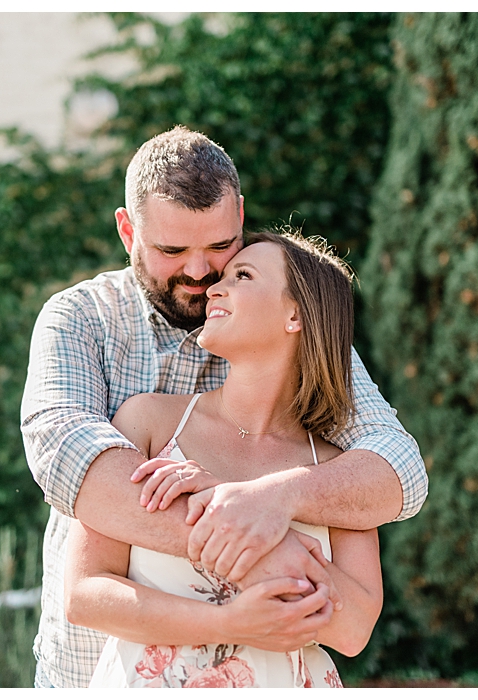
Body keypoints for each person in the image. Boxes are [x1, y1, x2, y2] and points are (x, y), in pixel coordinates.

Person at [20, 127, 427, 688]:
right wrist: (260, 542)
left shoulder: (302, 349)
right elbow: (70, 463)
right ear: (127, 230)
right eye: (171, 250)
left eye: (220, 249)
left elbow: (398, 470)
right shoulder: (81, 321)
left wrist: (278, 496)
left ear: (239, 215)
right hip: (90, 671)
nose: (199, 274)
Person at [69, 231, 382, 687]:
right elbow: (85, 595)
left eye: (243, 275)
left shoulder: (338, 472)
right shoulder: (151, 423)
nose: (214, 286)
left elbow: (353, 631)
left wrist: (230, 502)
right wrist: (228, 623)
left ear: (294, 315)